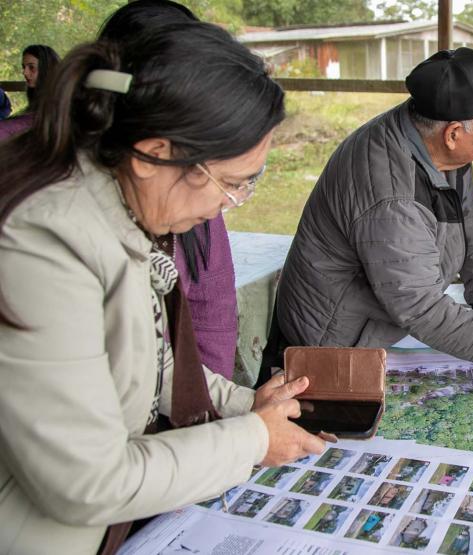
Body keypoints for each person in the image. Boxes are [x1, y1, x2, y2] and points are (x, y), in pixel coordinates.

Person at [0, 21, 328, 554]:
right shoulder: (45, 244)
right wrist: (253, 438)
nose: (230, 204)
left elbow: (150, 358)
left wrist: (246, 403)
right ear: (153, 153)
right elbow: (86, 483)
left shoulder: (118, 211)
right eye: (235, 183)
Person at [262, 48, 473, 381]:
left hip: (375, 327)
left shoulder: (431, 136)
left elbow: (468, 220)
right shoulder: (392, 199)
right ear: (454, 133)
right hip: (329, 346)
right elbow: (421, 308)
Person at [98, 0, 239, 379]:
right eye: (228, 182)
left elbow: (212, 310)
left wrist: (219, 412)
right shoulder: (65, 226)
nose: (225, 201)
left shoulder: (193, 191)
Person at [0, 45, 60, 140]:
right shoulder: (35, 102)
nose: (25, 72)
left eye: (31, 67)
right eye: (24, 67)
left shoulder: (60, 101)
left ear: (48, 68)